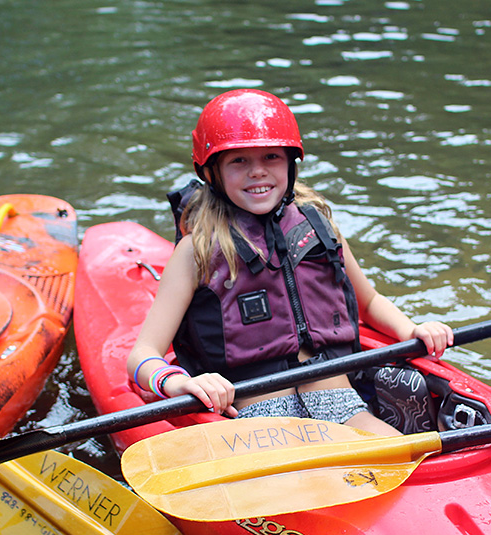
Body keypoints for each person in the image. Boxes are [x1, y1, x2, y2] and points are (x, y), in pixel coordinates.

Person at [126, 89, 453, 436]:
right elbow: (142, 356)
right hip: (258, 414)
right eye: (238, 160)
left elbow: (368, 303)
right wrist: (175, 382)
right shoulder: (198, 252)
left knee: (408, 457)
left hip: (340, 400)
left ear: (290, 164)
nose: (257, 172)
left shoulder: (319, 230)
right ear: (211, 172)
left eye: (271, 157)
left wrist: (411, 330)